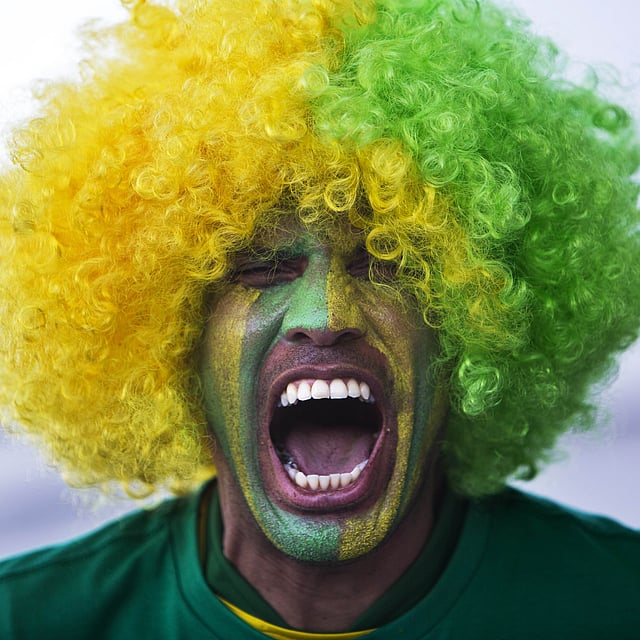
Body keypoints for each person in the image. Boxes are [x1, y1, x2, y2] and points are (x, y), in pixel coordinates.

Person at [1, 0, 639, 637]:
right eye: (262, 268)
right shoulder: (29, 619)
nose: (324, 316)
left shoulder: (616, 602)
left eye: (386, 262)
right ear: (172, 340)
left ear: (475, 321)